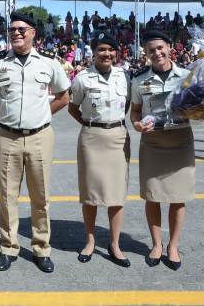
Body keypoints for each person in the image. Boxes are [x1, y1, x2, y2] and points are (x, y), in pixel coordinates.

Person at [0, 11, 70, 273]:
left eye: (22, 29)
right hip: (7, 137)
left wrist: (41, 115)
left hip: (40, 136)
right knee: (7, 197)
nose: (16, 33)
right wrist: (7, 114)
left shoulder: (49, 63)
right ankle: (8, 248)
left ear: (33, 33)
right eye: (12, 29)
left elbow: (63, 96)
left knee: (40, 196)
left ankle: (41, 248)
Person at [130, 30, 204, 271]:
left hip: (180, 140)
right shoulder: (139, 80)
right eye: (151, 50)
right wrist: (137, 125)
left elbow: (199, 107)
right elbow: (136, 111)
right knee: (152, 196)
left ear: (170, 47)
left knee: (178, 197)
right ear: (146, 54)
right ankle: (157, 244)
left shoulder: (188, 76)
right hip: (153, 142)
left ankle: (173, 246)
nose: (157, 53)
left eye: (160, 48)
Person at [68, 32, 131, 267]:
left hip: (117, 137)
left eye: (110, 49)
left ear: (116, 53)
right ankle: (90, 241)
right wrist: (89, 123)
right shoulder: (82, 78)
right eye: (102, 49)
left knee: (116, 194)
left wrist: (112, 122)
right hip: (92, 137)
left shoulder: (125, 76)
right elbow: (73, 107)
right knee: (91, 194)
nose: (106, 53)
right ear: (93, 52)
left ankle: (115, 244)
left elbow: (127, 106)